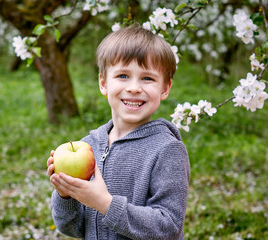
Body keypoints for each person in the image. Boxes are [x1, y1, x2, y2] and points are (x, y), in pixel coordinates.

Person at [46, 23, 190, 240]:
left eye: (147, 78)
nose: (134, 87)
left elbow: (168, 226)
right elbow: (72, 229)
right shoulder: (90, 145)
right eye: (123, 76)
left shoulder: (167, 150)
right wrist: (65, 195)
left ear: (165, 88)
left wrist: (105, 203)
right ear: (103, 83)